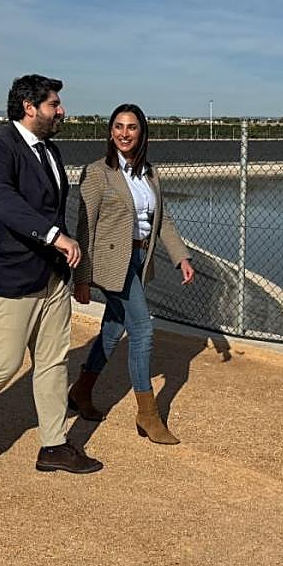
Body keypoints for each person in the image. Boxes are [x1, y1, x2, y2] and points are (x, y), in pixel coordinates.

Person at [0, 74, 103, 474]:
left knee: (52, 361)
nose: (61, 110)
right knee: (2, 363)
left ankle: (53, 445)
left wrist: (61, 254)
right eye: (54, 104)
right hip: (4, 275)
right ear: (30, 107)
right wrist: (55, 237)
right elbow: (1, 200)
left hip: (50, 276)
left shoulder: (50, 150)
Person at [71, 103, 195, 444]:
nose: (125, 133)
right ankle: (148, 414)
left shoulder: (149, 173)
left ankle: (81, 390)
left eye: (132, 127)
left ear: (141, 133)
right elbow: (85, 224)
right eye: (119, 127)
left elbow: (162, 220)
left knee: (113, 329)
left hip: (141, 259)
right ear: (111, 132)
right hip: (113, 263)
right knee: (142, 328)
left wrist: (180, 257)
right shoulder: (98, 172)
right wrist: (81, 277)